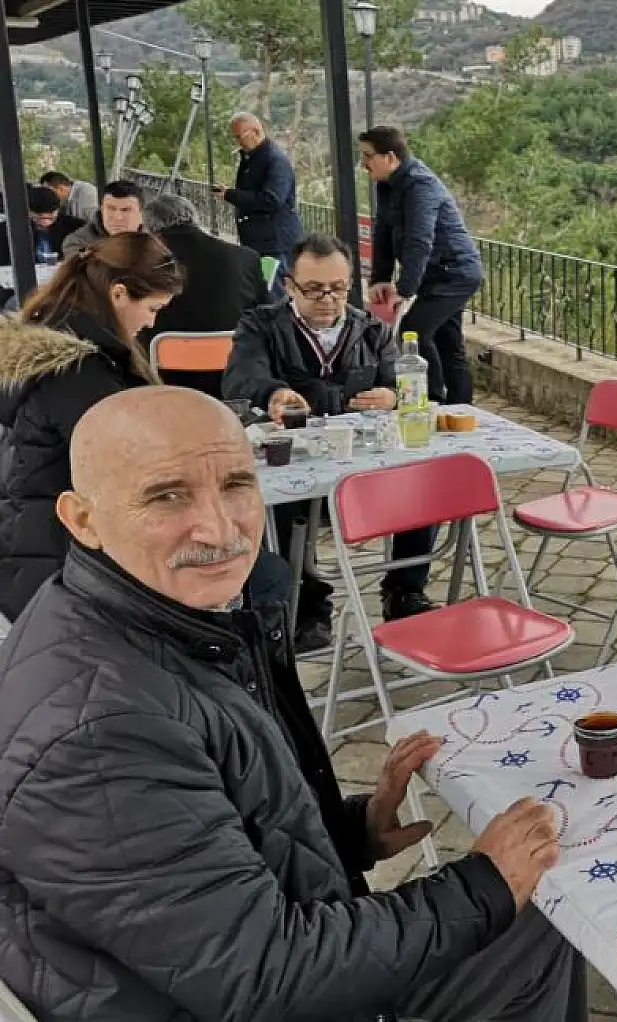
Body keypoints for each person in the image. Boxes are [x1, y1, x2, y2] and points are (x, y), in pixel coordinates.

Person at [0, 387, 587, 1022]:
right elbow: (268, 979)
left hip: (237, 967)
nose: (220, 527)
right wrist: (486, 885)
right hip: (262, 992)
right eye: (166, 495)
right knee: (544, 902)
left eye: (236, 483)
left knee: (547, 903)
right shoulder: (99, 731)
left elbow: (206, 847)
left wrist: (352, 830)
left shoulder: (163, 619)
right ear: (81, 517)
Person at [224, 233, 438, 646]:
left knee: (423, 480)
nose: (328, 299)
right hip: (300, 458)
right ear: (289, 286)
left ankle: (405, 591)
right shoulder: (260, 325)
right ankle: (307, 607)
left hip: (364, 460)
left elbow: (402, 382)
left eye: (338, 288)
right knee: (284, 507)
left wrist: (392, 395)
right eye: (314, 289)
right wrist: (273, 394)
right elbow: (241, 378)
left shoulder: (372, 329)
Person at [0, 232, 182, 621]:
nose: (151, 322)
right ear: (118, 293)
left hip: (33, 546)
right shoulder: (82, 373)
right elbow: (131, 464)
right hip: (66, 567)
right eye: (153, 308)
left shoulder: (55, 340)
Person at [363, 124, 484, 405]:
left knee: (414, 331)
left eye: (368, 156)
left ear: (390, 157)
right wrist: (379, 278)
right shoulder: (387, 185)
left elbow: (420, 240)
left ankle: (431, 400)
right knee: (447, 341)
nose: (364, 164)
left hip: (454, 271)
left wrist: (404, 290)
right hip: (435, 273)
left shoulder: (420, 185)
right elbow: (382, 230)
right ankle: (459, 408)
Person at [142, 193, 268, 398]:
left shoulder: (145, 264)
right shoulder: (246, 257)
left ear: (150, 229)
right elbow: (264, 312)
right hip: (233, 369)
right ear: (195, 219)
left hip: (167, 375)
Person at [219, 112, 305, 268]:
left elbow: (272, 199)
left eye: (240, 137)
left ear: (256, 132)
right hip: (260, 240)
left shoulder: (275, 160)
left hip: (275, 242)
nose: (238, 142)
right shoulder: (253, 158)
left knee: (275, 288)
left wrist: (232, 195)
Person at [0, 185, 84, 265]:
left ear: (58, 210)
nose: (45, 222)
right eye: (39, 216)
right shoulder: (8, 229)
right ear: (26, 211)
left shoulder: (75, 226)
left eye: (51, 215)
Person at [59, 177, 144, 255]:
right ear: (102, 210)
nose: (118, 217)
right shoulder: (78, 242)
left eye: (126, 210)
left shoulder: (154, 243)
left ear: (140, 215)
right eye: (111, 209)